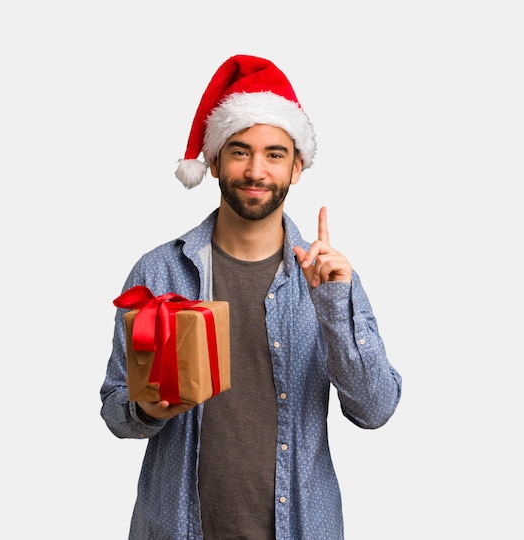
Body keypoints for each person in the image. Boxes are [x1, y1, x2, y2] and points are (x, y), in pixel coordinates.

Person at [100, 54, 402, 540]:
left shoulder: (328, 278)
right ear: (215, 161)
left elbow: (376, 410)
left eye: (274, 154)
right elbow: (116, 408)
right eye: (239, 151)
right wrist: (149, 408)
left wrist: (335, 309)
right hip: (178, 528)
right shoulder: (159, 272)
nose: (255, 170)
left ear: (297, 167)